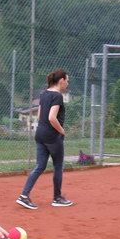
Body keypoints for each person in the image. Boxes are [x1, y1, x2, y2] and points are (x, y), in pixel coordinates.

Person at [16, 69, 73, 209]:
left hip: (40, 134)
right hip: (52, 136)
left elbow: (41, 116)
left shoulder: (44, 94)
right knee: (58, 166)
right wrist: (62, 131)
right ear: (61, 81)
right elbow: (51, 118)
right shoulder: (57, 96)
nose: (67, 83)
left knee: (40, 166)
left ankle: (24, 195)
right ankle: (57, 198)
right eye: (67, 81)